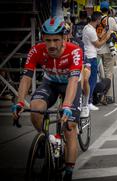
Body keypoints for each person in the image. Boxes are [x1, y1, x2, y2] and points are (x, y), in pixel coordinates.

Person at [12, 17, 83, 180]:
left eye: (56, 40)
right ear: (43, 38)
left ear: (64, 38)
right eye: (48, 40)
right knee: (36, 109)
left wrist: (66, 105)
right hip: (50, 83)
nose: (51, 45)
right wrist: (20, 101)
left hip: (70, 86)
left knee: (69, 125)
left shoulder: (74, 51)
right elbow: (26, 77)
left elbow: (73, 80)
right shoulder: (36, 50)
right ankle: (45, 139)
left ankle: (69, 172)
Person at [82, 11, 112, 111]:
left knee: (88, 80)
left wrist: (102, 34)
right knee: (92, 81)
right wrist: (106, 37)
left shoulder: (87, 28)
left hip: (87, 55)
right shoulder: (91, 30)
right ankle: (89, 102)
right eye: (100, 19)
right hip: (91, 57)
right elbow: (98, 44)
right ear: (98, 19)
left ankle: (87, 101)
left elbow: (94, 40)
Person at [97, 1, 117, 104]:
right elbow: (116, 29)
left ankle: (98, 94)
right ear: (108, 9)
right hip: (108, 49)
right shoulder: (110, 19)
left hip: (97, 49)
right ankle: (107, 96)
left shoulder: (96, 19)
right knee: (108, 73)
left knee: (100, 74)